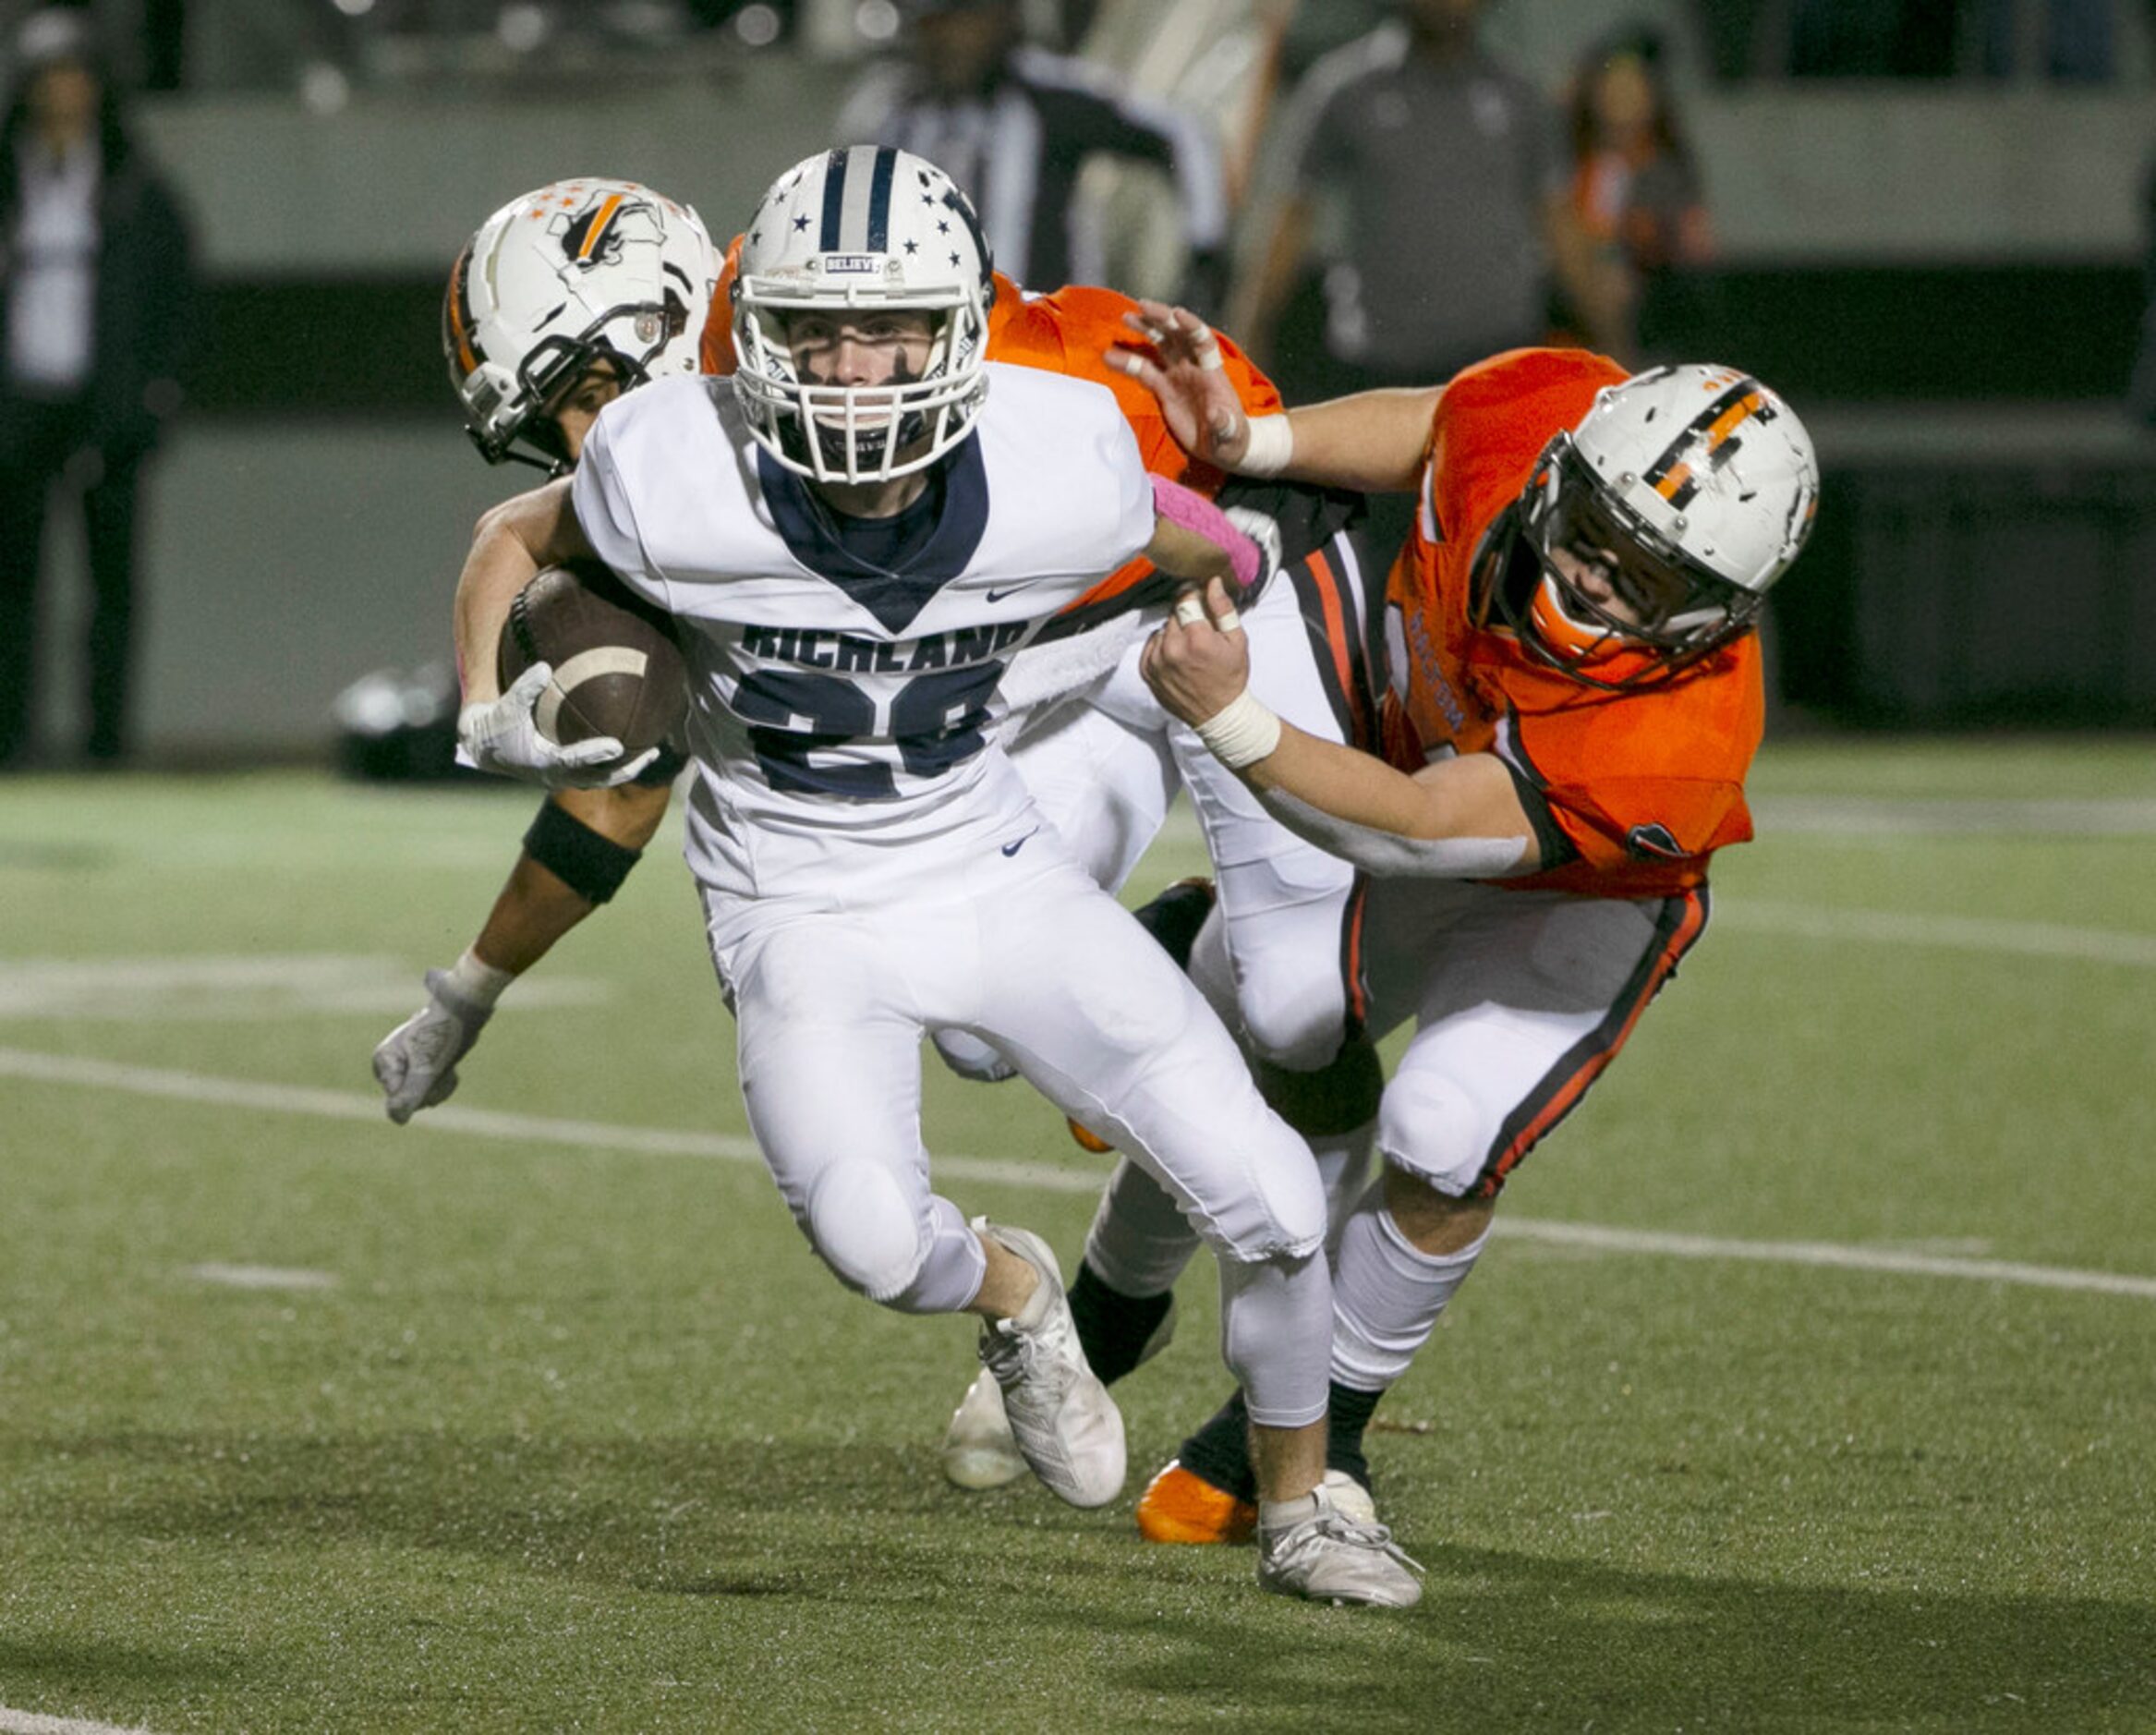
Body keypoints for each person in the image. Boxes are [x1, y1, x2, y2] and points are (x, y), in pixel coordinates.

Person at [442, 146, 1422, 1607]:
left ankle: (1301, 1501)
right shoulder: (666, 467)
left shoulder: (1055, 437)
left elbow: (1190, 523)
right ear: (755, 326)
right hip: (851, 851)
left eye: (887, 333)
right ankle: (1029, 1294)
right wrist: (487, 704)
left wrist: (1239, 567)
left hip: (1045, 753)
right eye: (815, 337)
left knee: (1278, 1121)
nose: (853, 373)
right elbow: (515, 537)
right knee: (888, 1192)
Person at [1098, 306, 1816, 1538]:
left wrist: (1233, 725)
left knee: (1443, 1128)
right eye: (1592, 529)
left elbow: (1422, 825)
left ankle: (1322, 1430)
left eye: (1644, 576)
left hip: (1567, 884)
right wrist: (1258, 444)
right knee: (1278, 999)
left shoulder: (1670, 746)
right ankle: (1207, 959)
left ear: (1715, 610)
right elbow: (1440, 427)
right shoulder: (1544, 411)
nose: (1590, 573)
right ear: (1566, 471)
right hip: (1412, 779)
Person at [371, 176, 721, 1122]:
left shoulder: (838, 384)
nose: (582, 442)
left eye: (591, 393)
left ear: (664, 315)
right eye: (554, 418)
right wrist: (465, 997)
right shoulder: (664, 484)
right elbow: (511, 535)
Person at [1229, 0, 1621, 404]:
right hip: (1380, 374)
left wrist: (1615, 344)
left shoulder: (1520, 94)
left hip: (1501, 365)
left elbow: (1562, 226)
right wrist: (1247, 338)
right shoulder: (1343, 88)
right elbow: (1287, 222)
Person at [0, 6, 194, 768]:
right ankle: (11, 739)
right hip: (16, 407)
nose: (62, 96)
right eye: (48, 80)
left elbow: (176, 299)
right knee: (13, 585)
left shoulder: (133, 183)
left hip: (107, 409)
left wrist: (154, 397)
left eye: (75, 78)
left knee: (111, 585)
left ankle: (105, 742)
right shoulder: (8, 178)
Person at [835, 0, 1230, 312]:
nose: (950, 38)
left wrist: (1205, 252)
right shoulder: (892, 113)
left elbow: (1182, 133)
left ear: (1005, 16)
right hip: (934, 339)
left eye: (965, 18)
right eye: (934, 20)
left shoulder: (1049, 99)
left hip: (1046, 343)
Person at [1563, 27, 1713, 364]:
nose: (1623, 96)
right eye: (1612, 85)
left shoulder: (1666, 171)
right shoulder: (1570, 165)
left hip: (1651, 333)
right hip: (1574, 331)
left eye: (1634, 85)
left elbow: (1693, 259)